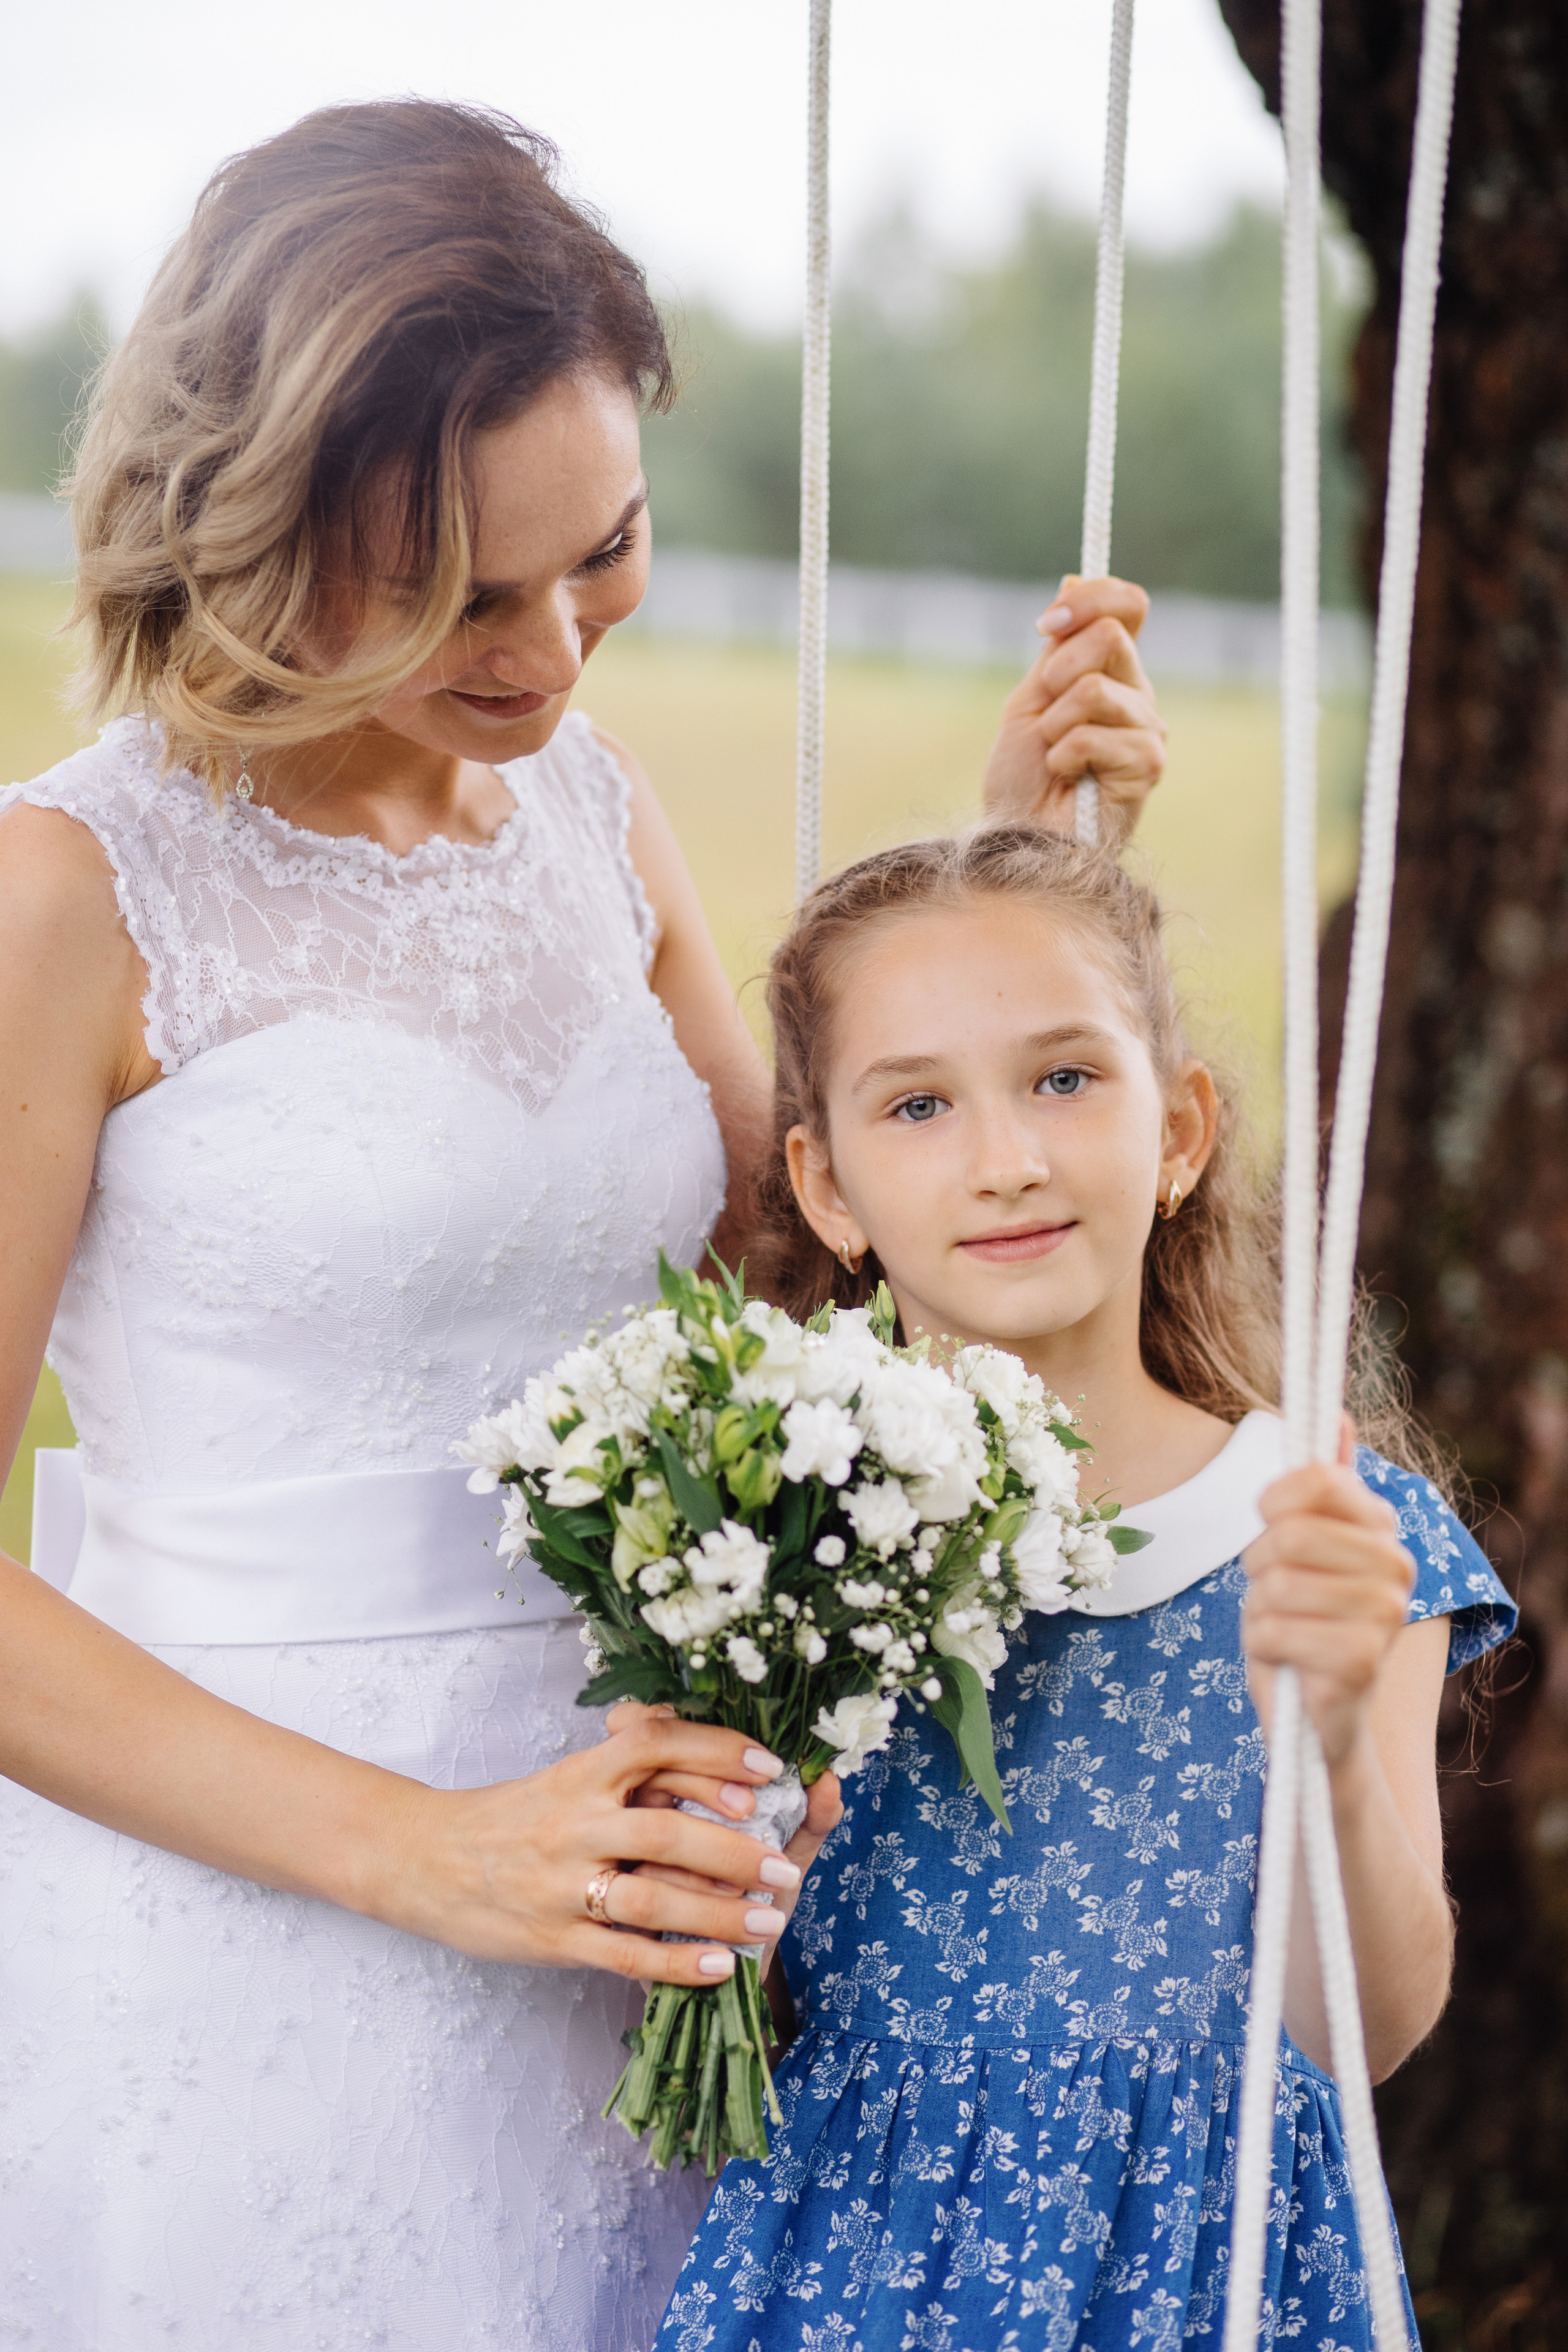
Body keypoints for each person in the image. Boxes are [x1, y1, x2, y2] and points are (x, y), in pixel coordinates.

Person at [0, 101, 1167, 2352]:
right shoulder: (66, 894)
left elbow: (790, 1268)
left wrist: (1000, 881)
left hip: (663, 1906)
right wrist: (432, 1856)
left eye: (601, 556)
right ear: (250, 525)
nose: (551, 655)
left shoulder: (585, 808)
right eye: (456, 595)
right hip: (260, 1936)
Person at [654, 826, 1516, 2352]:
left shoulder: (1322, 1521)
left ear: (1178, 1131)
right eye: (916, 1105)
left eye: (1065, 1079)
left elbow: (1367, 2030)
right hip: (858, 2259)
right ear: (826, 1185)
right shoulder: (763, 1540)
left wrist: (1317, 1742)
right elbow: (714, 1998)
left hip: (1212, 2261)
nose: (1006, 1161)